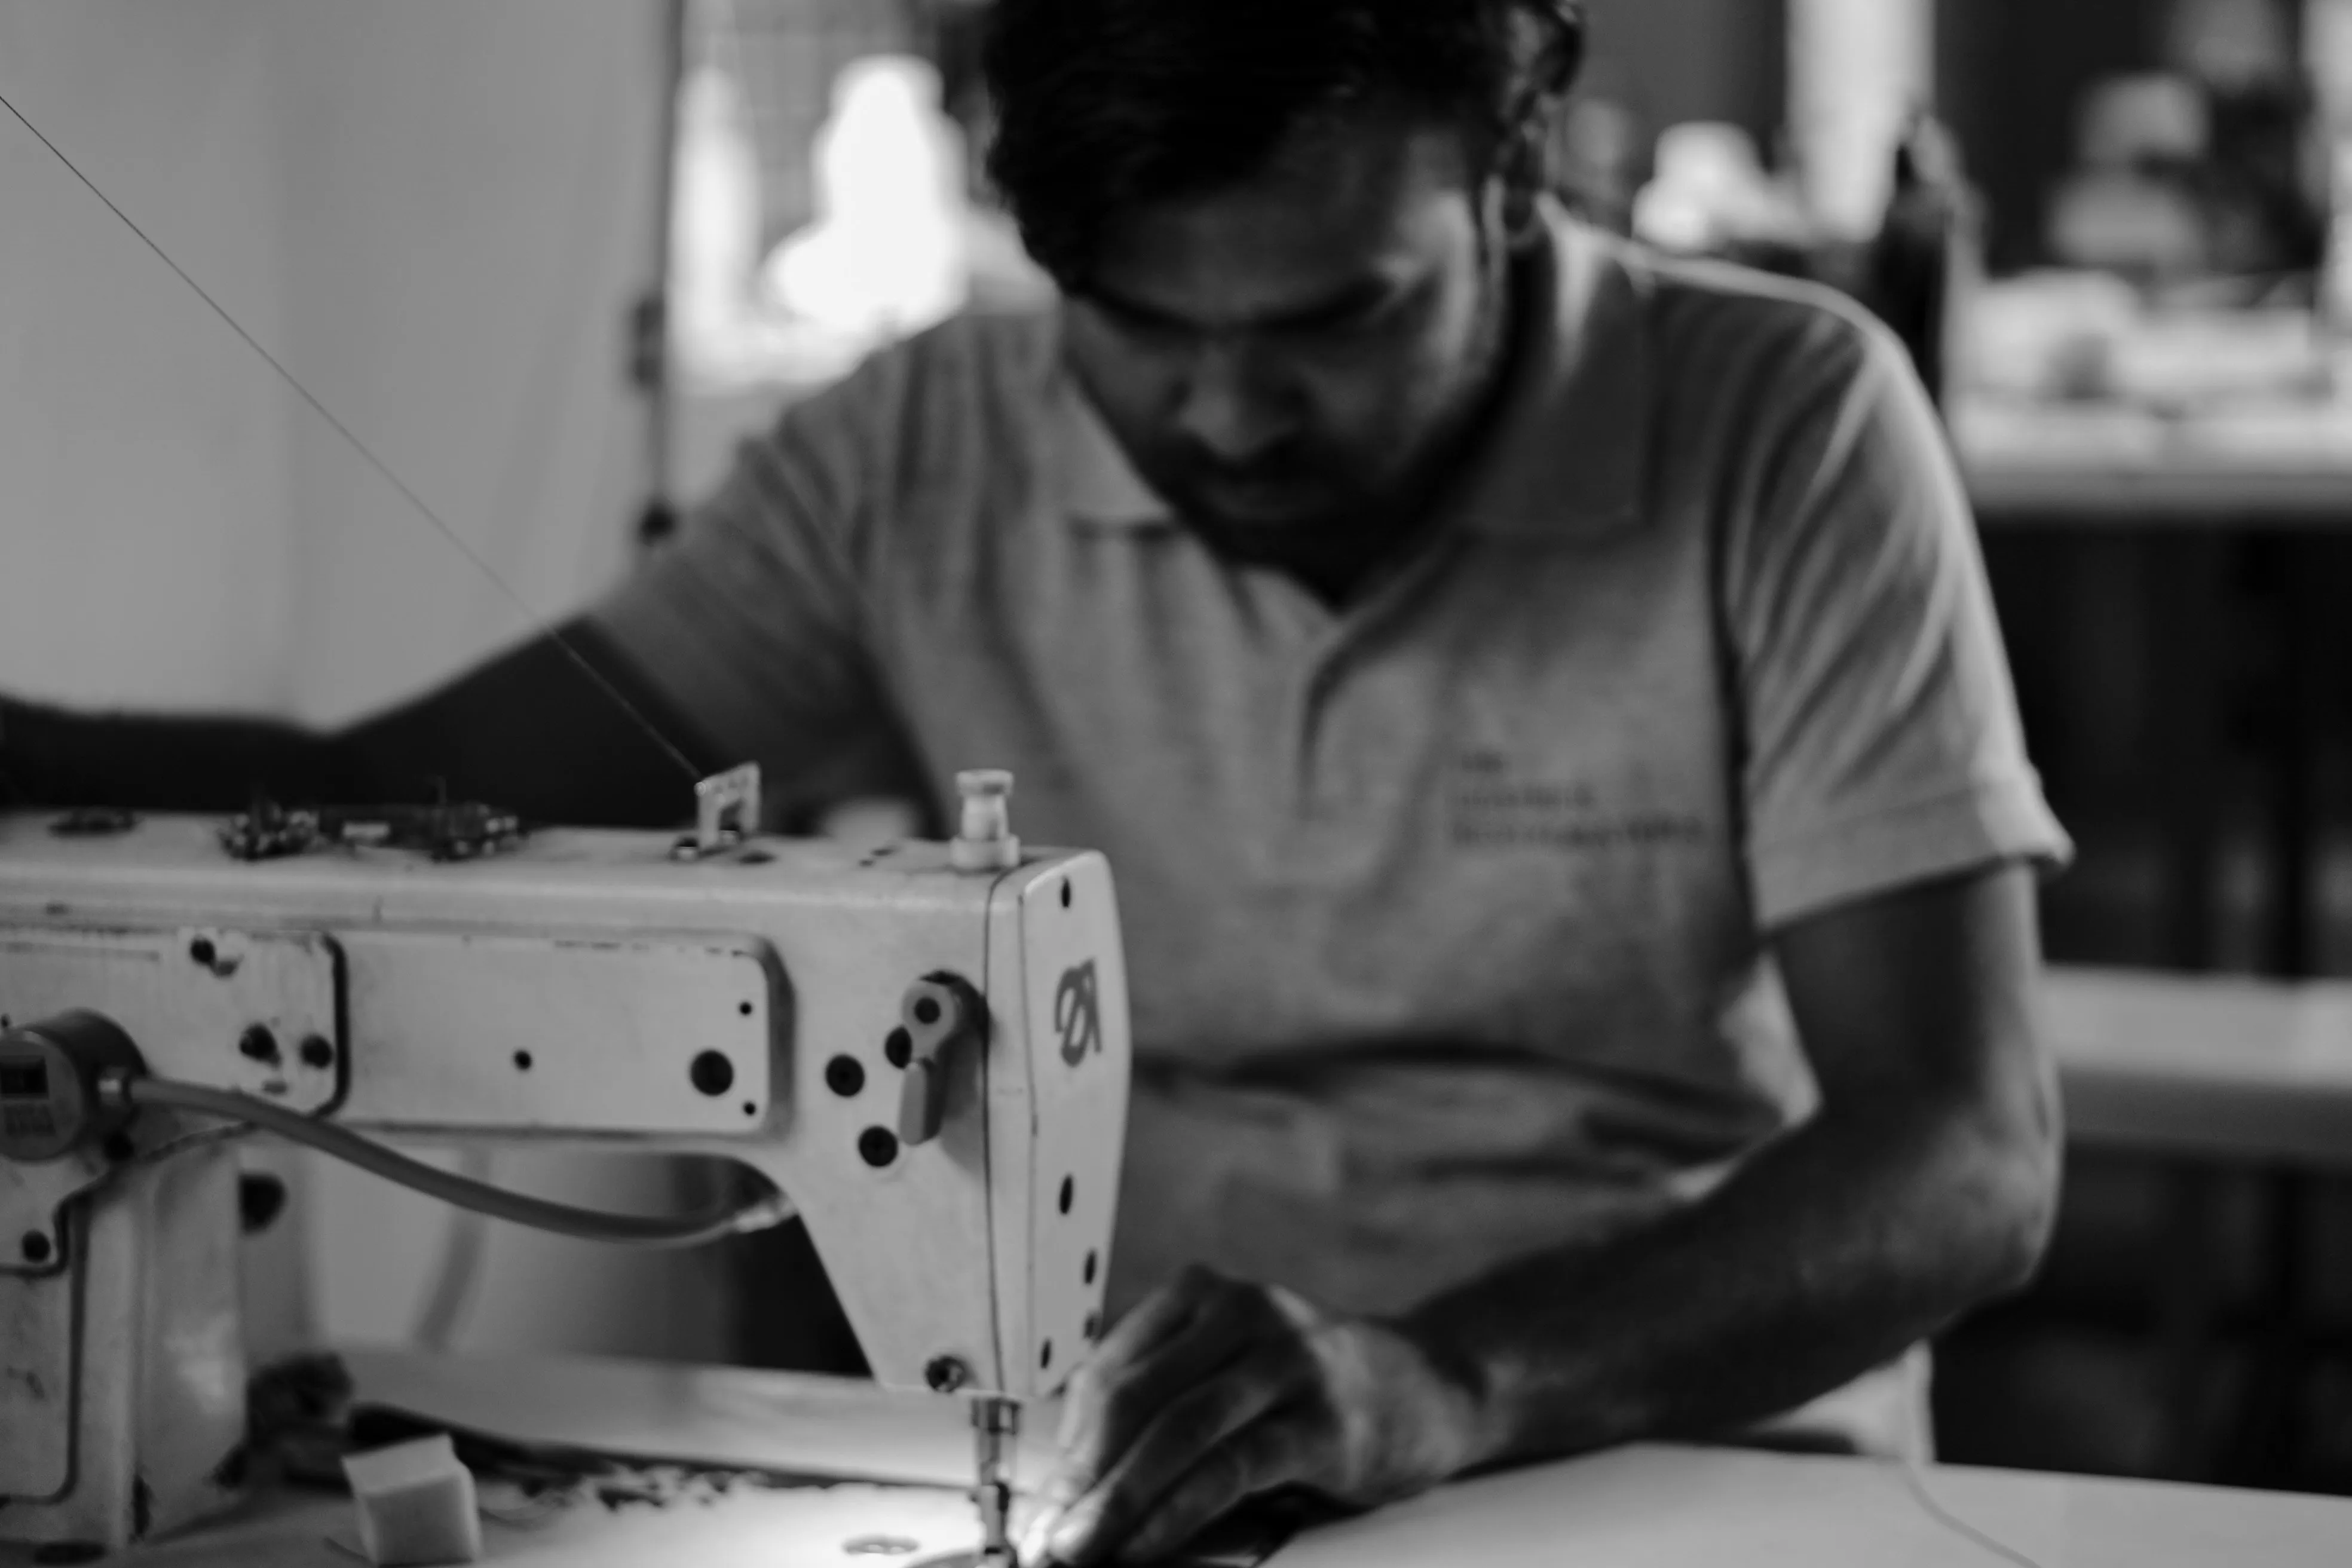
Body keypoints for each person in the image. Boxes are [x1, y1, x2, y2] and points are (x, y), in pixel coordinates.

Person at [0, 1, 2071, 1562]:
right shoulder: (922, 450)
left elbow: (1964, 1156)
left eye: (1338, 321)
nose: (1229, 412)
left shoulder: (1785, 421)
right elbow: (397, 797)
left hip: (1671, 1451)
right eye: (1137, 327)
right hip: (1147, 1471)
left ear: (1521, 163)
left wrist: (1446, 1378)